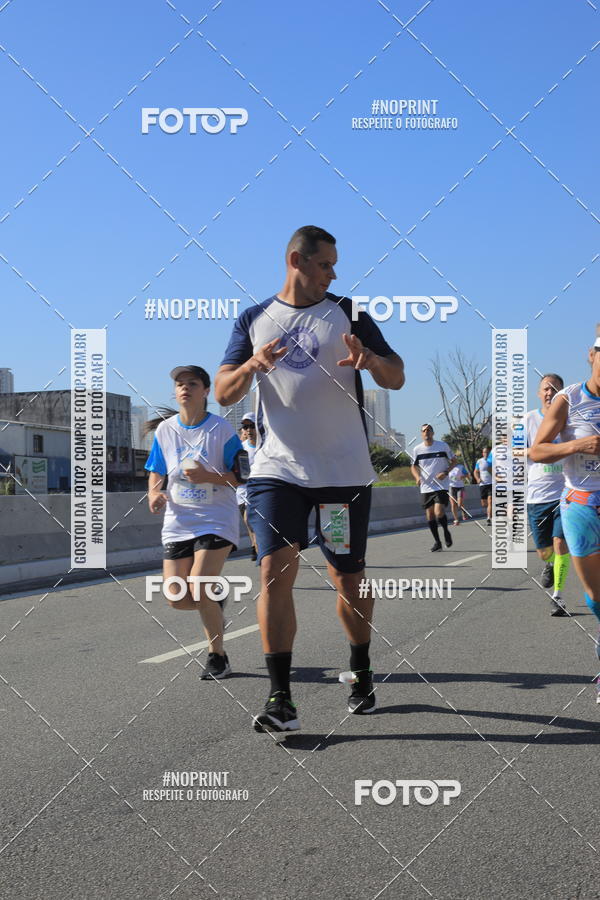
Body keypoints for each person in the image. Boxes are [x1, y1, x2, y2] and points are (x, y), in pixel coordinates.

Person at [215, 225, 405, 733]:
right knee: (274, 572)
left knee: (347, 579)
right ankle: (281, 699)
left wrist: (371, 360)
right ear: (296, 260)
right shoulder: (253, 319)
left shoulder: (351, 312)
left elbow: (397, 374)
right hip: (278, 472)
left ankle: (360, 666)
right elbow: (223, 393)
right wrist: (253, 365)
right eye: (325, 264)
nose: (334, 274)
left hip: (342, 475)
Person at [145, 365, 243, 680]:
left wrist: (206, 476)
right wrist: (153, 492)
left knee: (199, 586)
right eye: (180, 384)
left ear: (205, 391)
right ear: (175, 392)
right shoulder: (166, 430)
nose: (184, 388)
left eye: (192, 383)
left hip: (215, 518)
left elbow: (241, 476)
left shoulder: (221, 430)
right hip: (178, 520)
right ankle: (215, 600)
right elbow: (156, 469)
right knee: (177, 598)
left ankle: (218, 656)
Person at [531, 333, 600, 702]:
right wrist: (577, 445)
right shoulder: (568, 399)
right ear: (592, 355)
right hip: (581, 505)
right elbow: (536, 451)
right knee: (594, 596)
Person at [525, 373, 570, 616]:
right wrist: (541, 451)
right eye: (546, 388)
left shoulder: (571, 419)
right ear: (538, 392)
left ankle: (558, 597)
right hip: (537, 496)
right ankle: (549, 564)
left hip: (565, 492)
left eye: (555, 388)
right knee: (544, 550)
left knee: (560, 543)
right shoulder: (527, 420)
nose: (550, 392)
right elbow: (514, 451)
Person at [411, 425, 457, 551]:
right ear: (421, 434)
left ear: (433, 433)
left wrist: (446, 472)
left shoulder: (442, 446)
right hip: (426, 487)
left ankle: (446, 531)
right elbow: (413, 466)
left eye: (429, 430)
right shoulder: (417, 449)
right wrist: (417, 477)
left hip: (441, 485)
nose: (426, 432)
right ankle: (437, 542)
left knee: (438, 512)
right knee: (430, 516)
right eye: (424, 430)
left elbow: (454, 461)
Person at [237, 412, 259, 561]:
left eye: (252, 426)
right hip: (242, 492)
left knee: (248, 519)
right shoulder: (241, 448)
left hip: (259, 491)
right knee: (248, 522)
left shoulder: (265, 445)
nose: (249, 430)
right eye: (246, 427)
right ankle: (254, 546)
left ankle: (259, 549)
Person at [474, 446, 493, 525]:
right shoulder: (479, 461)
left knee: (490, 501)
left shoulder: (493, 461)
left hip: (492, 484)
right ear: (482, 453)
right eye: (484, 452)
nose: (486, 453)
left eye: (487, 452)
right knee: (484, 504)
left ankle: (489, 518)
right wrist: (477, 479)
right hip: (483, 484)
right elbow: (476, 471)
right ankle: (490, 511)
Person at [448, 457, 469, 525]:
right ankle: (456, 520)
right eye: (450, 459)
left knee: (459, 504)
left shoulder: (460, 467)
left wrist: (462, 477)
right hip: (451, 487)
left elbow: (466, 474)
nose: (452, 460)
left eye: (453, 459)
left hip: (460, 487)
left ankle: (464, 512)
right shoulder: (447, 467)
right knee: (453, 504)